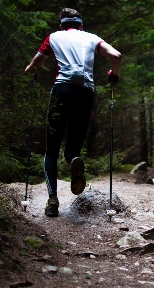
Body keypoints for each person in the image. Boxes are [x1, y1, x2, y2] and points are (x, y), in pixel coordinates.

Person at [24, 8, 121, 217]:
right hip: (85, 93)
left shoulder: (54, 37)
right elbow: (116, 55)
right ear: (81, 26)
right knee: (73, 148)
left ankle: (52, 201)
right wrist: (114, 73)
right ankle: (73, 159)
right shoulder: (92, 38)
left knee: (51, 149)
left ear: (62, 25)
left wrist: (30, 72)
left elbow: (35, 65)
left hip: (61, 90)